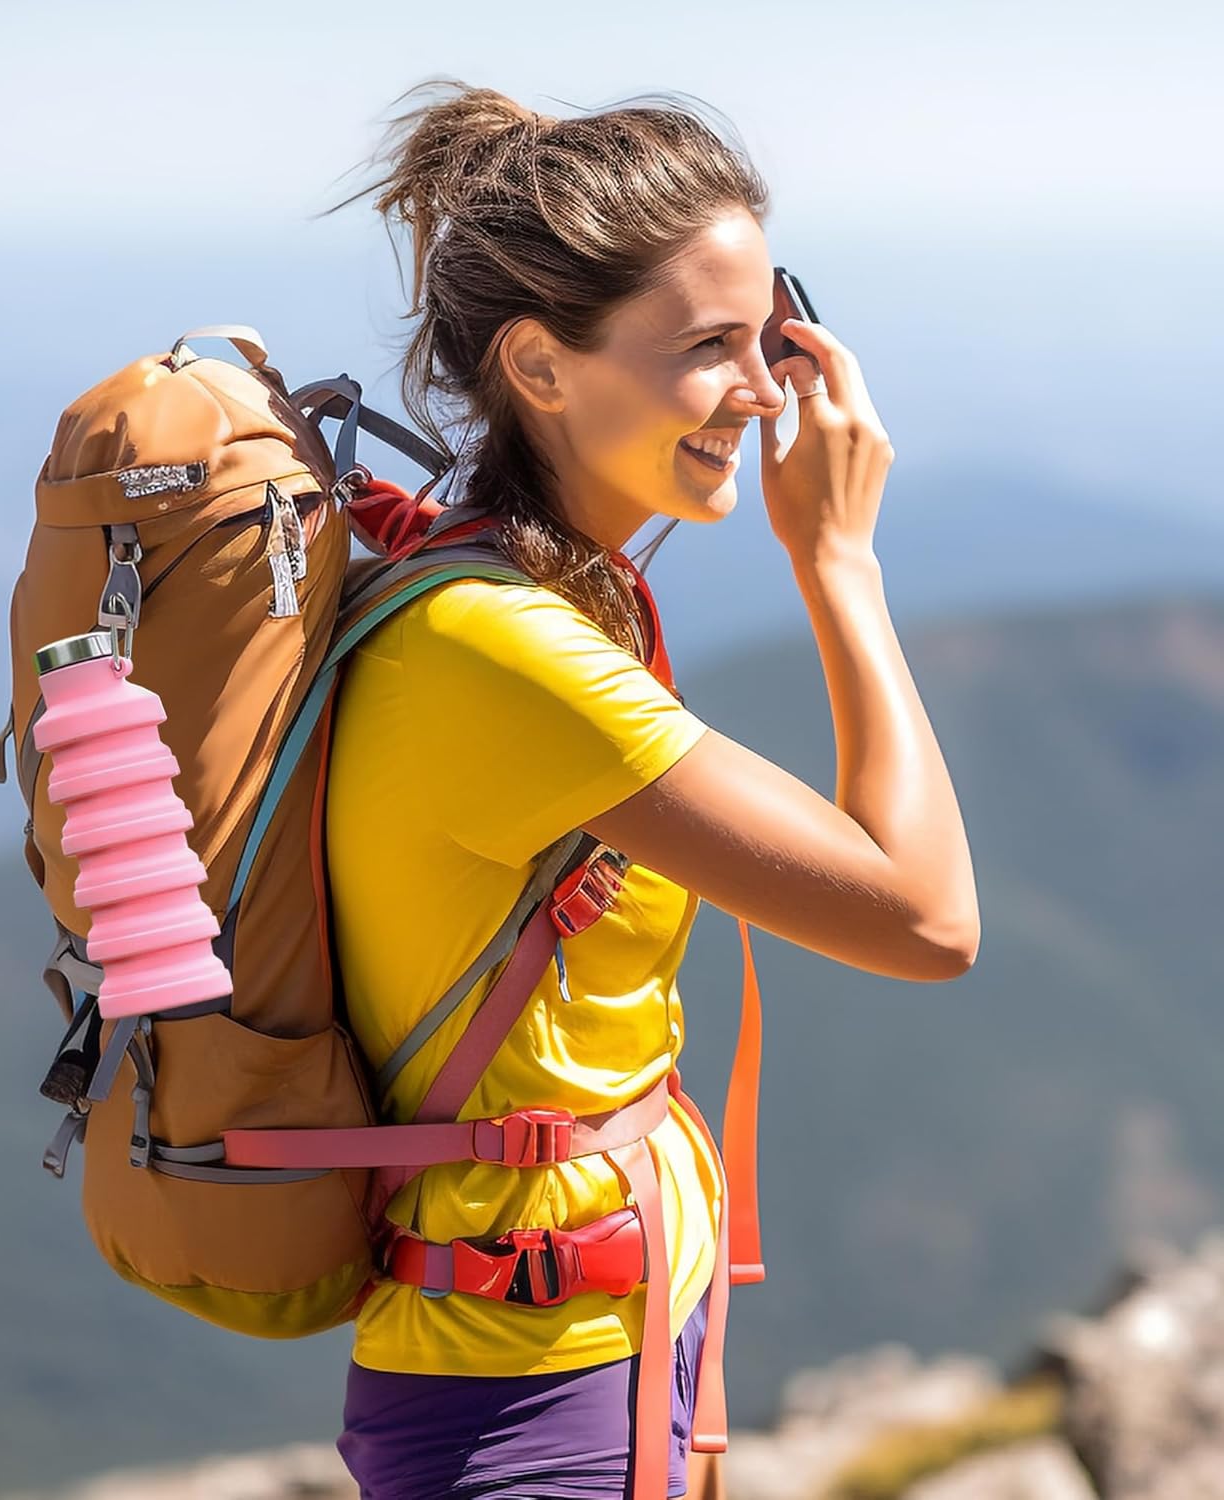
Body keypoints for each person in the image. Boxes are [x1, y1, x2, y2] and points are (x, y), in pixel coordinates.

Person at [317, 79, 980, 1500]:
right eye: (708, 349)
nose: (758, 390)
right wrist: (840, 570)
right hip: (526, 1388)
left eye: (768, 335)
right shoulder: (502, 650)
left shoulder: (528, 593)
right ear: (542, 369)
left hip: (591, 1341)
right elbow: (928, 921)